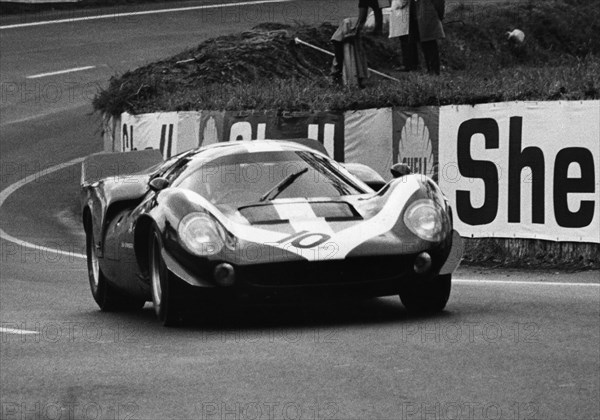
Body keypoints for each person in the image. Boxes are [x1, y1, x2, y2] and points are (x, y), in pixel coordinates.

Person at [400, 0, 445, 75]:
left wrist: (439, 15)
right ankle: (430, 70)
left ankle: (434, 71)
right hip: (418, 15)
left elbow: (439, 2)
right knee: (424, 43)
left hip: (428, 14)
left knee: (430, 42)